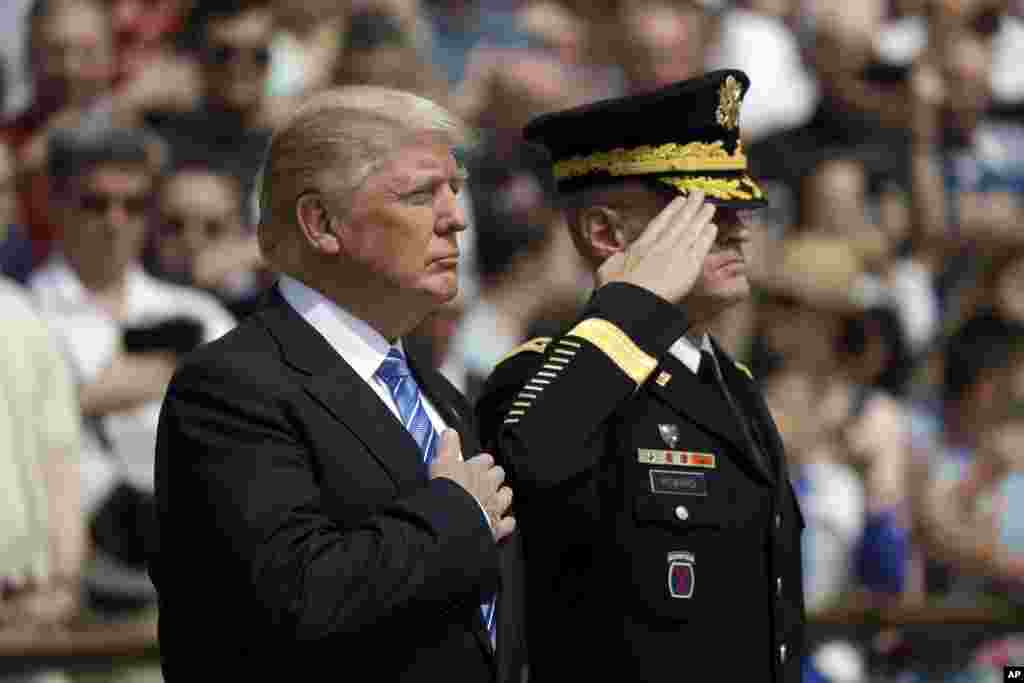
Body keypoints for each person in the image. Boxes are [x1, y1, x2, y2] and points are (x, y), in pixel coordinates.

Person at [151, 85, 526, 682]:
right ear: (321, 223)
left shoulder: (440, 397)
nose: (455, 218)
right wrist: (457, 515)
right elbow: (296, 599)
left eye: (455, 190)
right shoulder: (229, 387)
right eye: (420, 194)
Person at [476, 70, 805, 682]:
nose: (737, 226)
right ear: (605, 232)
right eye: (702, 210)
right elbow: (530, 456)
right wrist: (632, 305)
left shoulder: (732, 385)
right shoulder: (543, 376)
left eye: (738, 206)